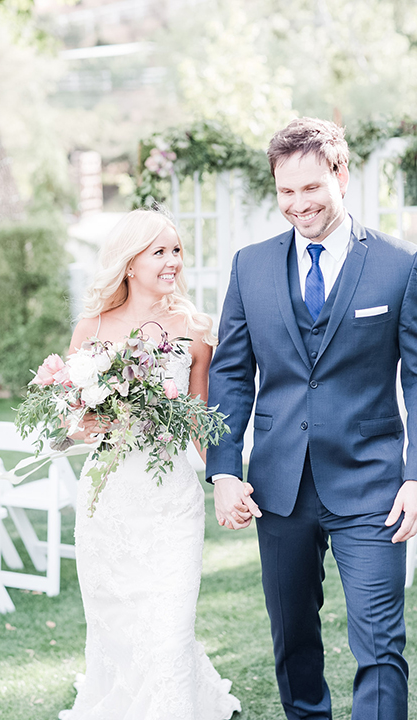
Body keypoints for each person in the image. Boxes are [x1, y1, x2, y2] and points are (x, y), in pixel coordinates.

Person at [206, 117, 417, 719]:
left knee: (380, 645)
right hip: (279, 486)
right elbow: (231, 374)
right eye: (286, 192)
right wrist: (224, 470)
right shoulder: (250, 266)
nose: (299, 205)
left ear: (340, 175)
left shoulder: (400, 265)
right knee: (294, 640)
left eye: (311, 188)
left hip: (372, 484)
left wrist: (415, 474)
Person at [58, 208, 241, 720]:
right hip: (108, 496)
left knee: (169, 619)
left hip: (171, 498)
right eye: (159, 251)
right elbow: (75, 423)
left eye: (176, 250)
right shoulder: (91, 326)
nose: (172, 262)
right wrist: (110, 416)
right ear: (129, 261)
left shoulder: (196, 329)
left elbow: (202, 419)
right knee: (116, 617)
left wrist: (229, 477)